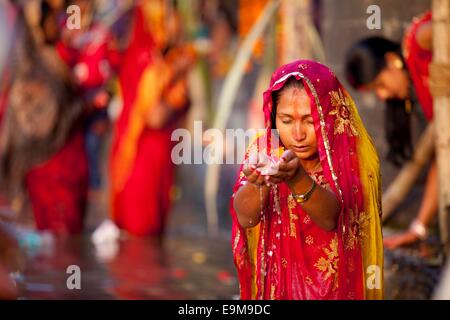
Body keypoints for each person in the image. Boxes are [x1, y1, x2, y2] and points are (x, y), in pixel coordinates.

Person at [231, 60, 383, 300]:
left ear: (330, 116)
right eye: (286, 120)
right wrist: (257, 184)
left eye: (310, 121)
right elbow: (246, 218)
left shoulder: (350, 156)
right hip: (279, 287)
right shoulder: (264, 151)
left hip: (335, 287)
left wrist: (297, 179)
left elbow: (331, 218)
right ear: (273, 117)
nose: (298, 134)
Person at [345, 12, 436, 250]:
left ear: (392, 60)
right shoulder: (419, 95)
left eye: (380, 85)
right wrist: (418, 229)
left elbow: (440, 29)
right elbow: (443, 158)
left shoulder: (417, 43)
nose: (383, 96)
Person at [110, 1, 195, 237]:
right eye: (169, 16)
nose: (176, 22)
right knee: (142, 236)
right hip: (144, 155)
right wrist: (178, 85)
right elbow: (155, 116)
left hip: (145, 151)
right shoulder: (152, 61)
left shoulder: (156, 56)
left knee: (141, 236)